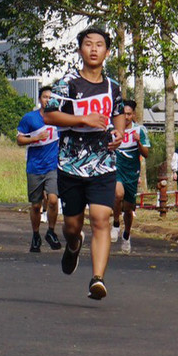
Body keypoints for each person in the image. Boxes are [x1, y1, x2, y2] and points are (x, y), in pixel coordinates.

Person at [43, 26, 126, 300]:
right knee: (72, 226)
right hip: (70, 165)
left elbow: (118, 115)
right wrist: (83, 119)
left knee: (102, 218)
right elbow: (49, 116)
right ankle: (74, 244)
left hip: (103, 163)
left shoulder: (113, 86)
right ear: (80, 50)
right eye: (88, 44)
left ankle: (98, 279)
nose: (93, 49)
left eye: (99, 44)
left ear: (107, 51)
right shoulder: (67, 83)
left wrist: (119, 133)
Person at [16, 86, 62, 253]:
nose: (48, 100)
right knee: (36, 206)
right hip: (35, 166)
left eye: (51, 97)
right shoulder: (30, 118)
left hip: (53, 166)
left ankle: (51, 230)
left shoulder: (59, 119)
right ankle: (36, 235)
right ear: (39, 99)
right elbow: (19, 140)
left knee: (53, 200)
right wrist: (35, 138)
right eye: (45, 97)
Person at [110, 99, 150, 252]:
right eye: (123, 114)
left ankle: (126, 235)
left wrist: (139, 143)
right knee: (117, 194)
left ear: (133, 115)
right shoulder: (113, 130)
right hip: (117, 168)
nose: (125, 117)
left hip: (132, 172)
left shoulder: (140, 130)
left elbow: (146, 154)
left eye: (128, 114)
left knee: (128, 208)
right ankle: (115, 224)